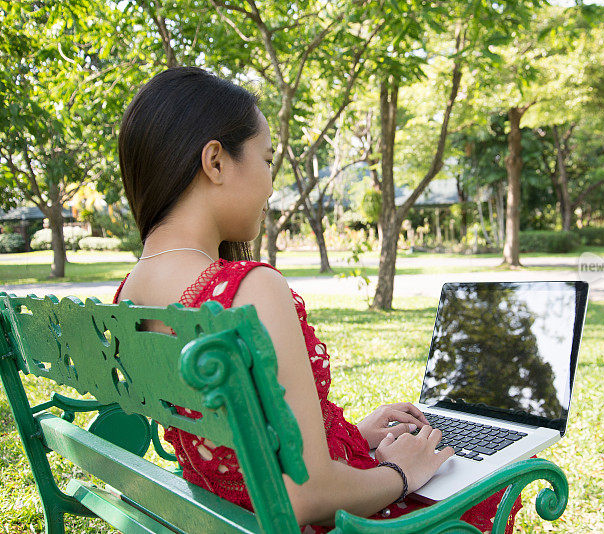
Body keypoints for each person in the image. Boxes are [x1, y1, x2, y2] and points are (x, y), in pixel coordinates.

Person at [114, 67, 520, 533]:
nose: (270, 185)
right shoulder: (247, 287)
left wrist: (351, 438)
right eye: (267, 161)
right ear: (216, 162)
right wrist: (402, 472)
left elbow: (238, 442)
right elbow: (307, 498)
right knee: (485, 489)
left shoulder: (132, 292)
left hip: (227, 516)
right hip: (289, 521)